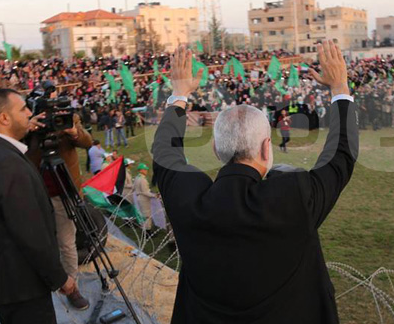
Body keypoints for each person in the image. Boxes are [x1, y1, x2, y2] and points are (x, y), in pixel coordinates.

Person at [153, 41, 359, 323]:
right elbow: (341, 155)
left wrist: (179, 94)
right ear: (266, 148)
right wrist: (340, 87)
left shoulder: (189, 199)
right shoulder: (294, 197)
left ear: (215, 149)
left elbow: (164, 153)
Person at [0, 89, 76, 324]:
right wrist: (59, 278)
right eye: (23, 109)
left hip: (3, 281)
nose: (29, 113)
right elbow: (30, 233)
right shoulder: (7, 164)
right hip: (22, 286)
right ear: (5, 118)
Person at [25, 112, 93, 311]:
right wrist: (27, 130)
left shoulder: (69, 118)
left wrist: (72, 132)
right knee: (39, 241)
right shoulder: (29, 122)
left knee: (66, 242)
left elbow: (87, 142)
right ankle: (40, 280)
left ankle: (72, 288)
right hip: (35, 192)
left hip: (64, 192)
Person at [133, 163, 157, 233]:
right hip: (144, 199)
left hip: (140, 197)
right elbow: (145, 192)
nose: (146, 171)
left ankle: (144, 228)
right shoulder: (142, 179)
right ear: (141, 170)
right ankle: (147, 231)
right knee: (147, 215)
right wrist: (155, 195)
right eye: (145, 170)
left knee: (143, 214)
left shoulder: (137, 177)